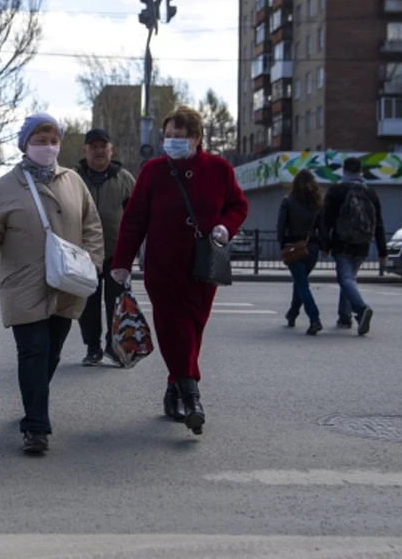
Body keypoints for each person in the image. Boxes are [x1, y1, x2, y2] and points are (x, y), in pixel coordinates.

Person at [0, 113, 104, 454]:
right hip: (24, 282)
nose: (48, 146)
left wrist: (94, 263)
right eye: (40, 140)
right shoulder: (6, 184)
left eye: (53, 139)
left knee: (51, 353)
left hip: (67, 281)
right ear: (25, 144)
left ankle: (33, 401)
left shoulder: (73, 181)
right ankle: (36, 426)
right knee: (33, 351)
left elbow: (92, 225)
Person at [110, 105, 248, 433]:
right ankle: (192, 397)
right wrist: (122, 263)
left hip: (203, 267)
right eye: (167, 136)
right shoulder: (153, 171)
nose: (171, 142)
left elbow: (238, 205)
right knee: (175, 330)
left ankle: (173, 390)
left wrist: (225, 227)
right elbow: (134, 219)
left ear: (196, 138)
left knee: (193, 331)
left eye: (179, 137)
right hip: (163, 267)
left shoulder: (219, 169)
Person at [73, 128, 136, 367]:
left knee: (116, 303)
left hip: (116, 255)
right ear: (85, 150)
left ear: (111, 150)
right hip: (83, 255)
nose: (99, 151)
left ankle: (113, 346)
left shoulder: (125, 179)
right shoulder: (73, 177)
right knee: (87, 305)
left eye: (103, 146)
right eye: (94, 146)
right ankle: (93, 347)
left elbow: (137, 216)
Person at [320, 156, 387, 336]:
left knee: (345, 279)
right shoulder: (371, 192)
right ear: (360, 171)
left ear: (345, 171)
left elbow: (326, 220)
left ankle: (361, 309)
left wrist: (325, 245)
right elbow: (379, 223)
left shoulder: (336, 190)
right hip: (363, 243)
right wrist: (382, 251)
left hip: (342, 243)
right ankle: (344, 317)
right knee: (349, 279)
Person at [277, 169, 324, 335]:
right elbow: (323, 229)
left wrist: (282, 244)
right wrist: (324, 247)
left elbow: (281, 226)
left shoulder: (288, 201)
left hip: (294, 248)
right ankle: (292, 314)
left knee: (302, 284)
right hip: (312, 250)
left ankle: (314, 318)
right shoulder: (318, 204)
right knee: (301, 282)